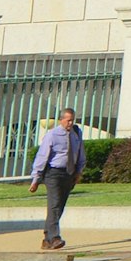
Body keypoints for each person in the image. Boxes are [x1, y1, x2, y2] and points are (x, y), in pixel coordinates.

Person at [29, 108, 86, 252]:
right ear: (61, 120)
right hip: (53, 173)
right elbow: (42, 156)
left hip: (69, 173)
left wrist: (78, 172)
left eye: (72, 120)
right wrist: (36, 178)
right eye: (68, 120)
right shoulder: (52, 135)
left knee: (59, 207)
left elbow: (80, 153)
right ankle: (55, 238)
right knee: (54, 205)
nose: (70, 123)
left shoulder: (76, 134)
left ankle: (47, 239)